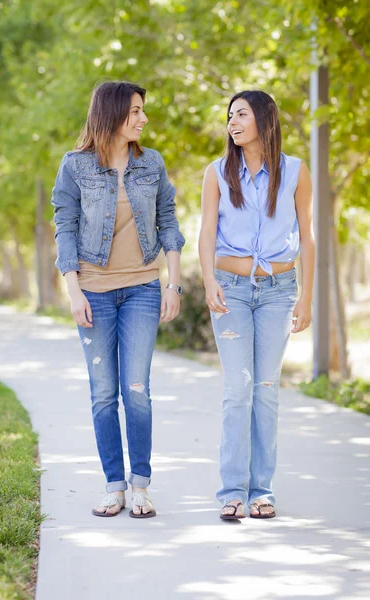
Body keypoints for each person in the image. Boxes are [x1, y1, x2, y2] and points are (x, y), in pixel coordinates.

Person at [51, 81, 185, 518]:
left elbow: (168, 221)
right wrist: (73, 291)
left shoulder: (153, 164)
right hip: (93, 291)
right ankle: (114, 486)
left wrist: (173, 283)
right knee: (104, 393)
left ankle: (141, 485)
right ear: (111, 115)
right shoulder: (75, 167)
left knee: (137, 390)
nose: (143, 119)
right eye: (135, 112)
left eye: (143, 111)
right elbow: (65, 228)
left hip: (144, 289)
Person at [199, 90, 315, 521]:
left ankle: (261, 491)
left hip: (279, 291)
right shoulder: (215, 173)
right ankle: (231, 490)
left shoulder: (296, 173)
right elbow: (207, 231)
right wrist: (209, 280)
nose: (232, 121)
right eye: (229, 115)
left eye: (241, 114)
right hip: (229, 289)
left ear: (264, 118)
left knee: (266, 391)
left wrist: (306, 295)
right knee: (238, 388)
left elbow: (308, 236)